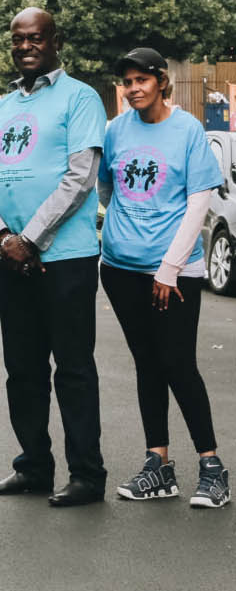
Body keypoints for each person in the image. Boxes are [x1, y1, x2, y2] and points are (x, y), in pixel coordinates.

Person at [0, 8, 108, 507]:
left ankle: (87, 476)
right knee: (23, 369)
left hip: (65, 259)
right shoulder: (5, 105)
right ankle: (33, 466)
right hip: (13, 259)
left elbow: (81, 176)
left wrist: (31, 238)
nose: (26, 46)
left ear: (54, 41)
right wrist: (3, 236)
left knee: (73, 368)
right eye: (18, 40)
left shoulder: (80, 98)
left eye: (35, 38)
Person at [99, 48, 228, 508]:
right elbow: (106, 185)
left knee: (177, 362)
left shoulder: (187, 129)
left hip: (174, 272)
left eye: (141, 80)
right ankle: (159, 464)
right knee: (147, 363)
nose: (133, 88)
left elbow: (200, 199)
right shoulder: (115, 130)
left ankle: (212, 467)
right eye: (126, 81)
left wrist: (169, 266)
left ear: (161, 81)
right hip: (118, 268)